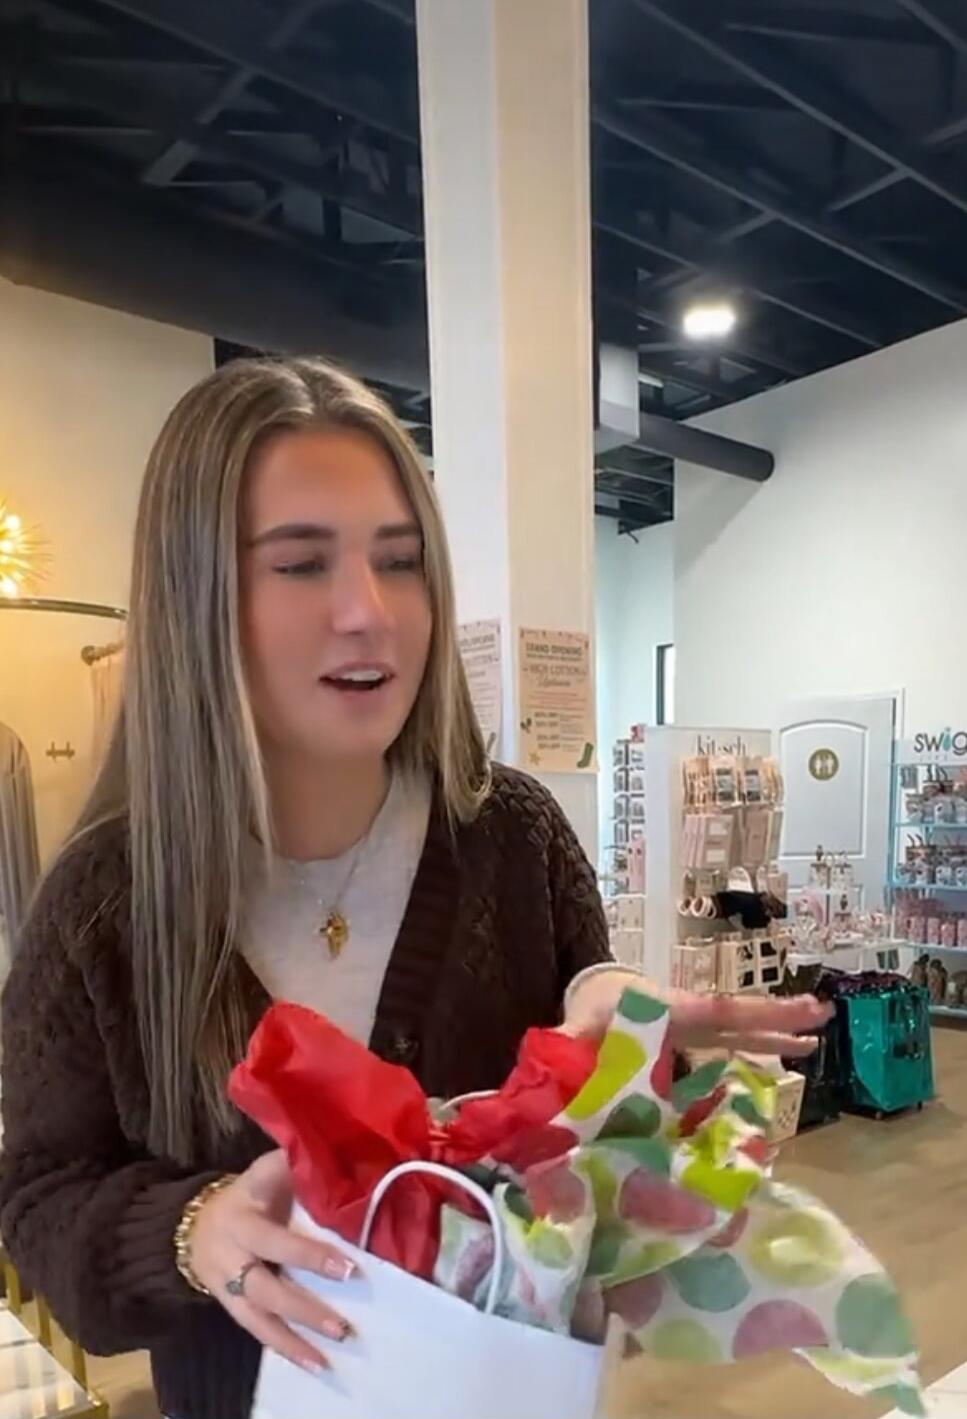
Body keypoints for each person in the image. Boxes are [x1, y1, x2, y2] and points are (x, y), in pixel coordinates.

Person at [0, 358, 829, 1419]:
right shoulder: (104, 904)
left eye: (401, 562)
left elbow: (587, 1070)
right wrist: (195, 1229)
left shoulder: (510, 833)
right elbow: (40, 1199)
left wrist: (625, 1070)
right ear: (194, 598)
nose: (369, 612)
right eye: (301, 564)